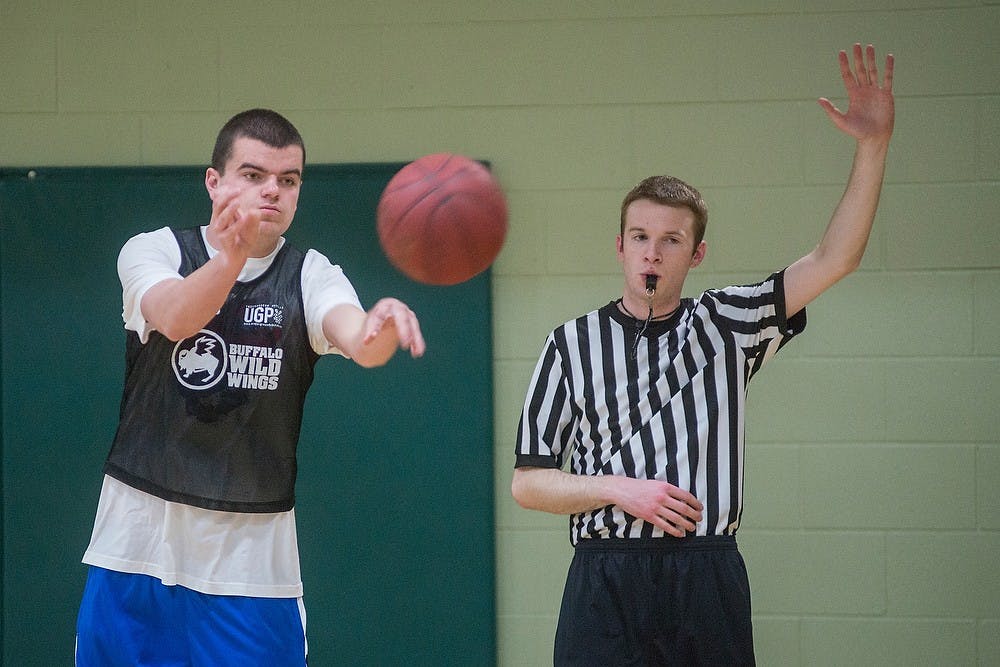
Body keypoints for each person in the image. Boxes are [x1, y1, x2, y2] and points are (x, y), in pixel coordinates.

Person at [511, 43, 894, 666]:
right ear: (619, 246)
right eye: (640, 237)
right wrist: (617, 490)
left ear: (697, 254)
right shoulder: (571, 343)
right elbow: (527, 484)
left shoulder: (728, 323)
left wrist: (872, 145)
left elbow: (835, 259)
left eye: (670, 240)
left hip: (705, 571)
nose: (652, 253)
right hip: (605, 578)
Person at [75, 108, 425, 665]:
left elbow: (359, 339)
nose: (273, 192)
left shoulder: (311, 274)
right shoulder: (153, 250)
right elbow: (175, 316)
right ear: (214, 182)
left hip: (252, 566)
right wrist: (232, 256)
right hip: (134, 547)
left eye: (288, 181)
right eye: (254, 175)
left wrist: (377, 325)